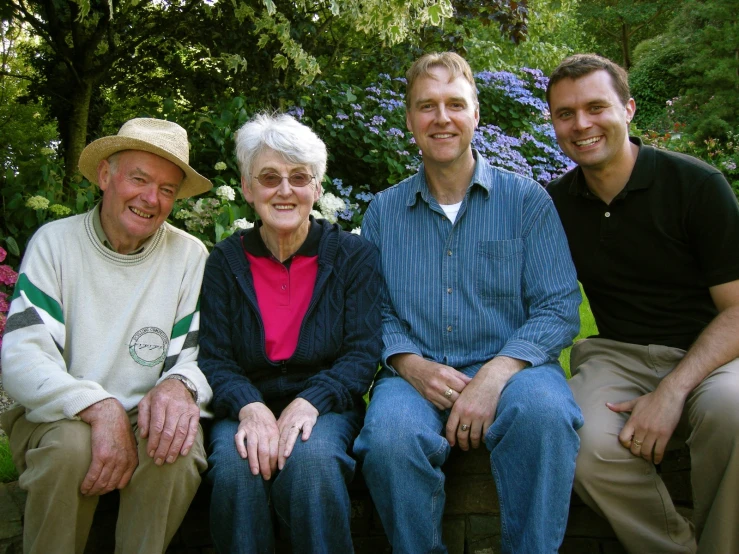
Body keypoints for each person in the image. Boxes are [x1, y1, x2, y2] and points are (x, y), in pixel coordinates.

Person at [352, 52, 584, 554]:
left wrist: (496, 375)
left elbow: (558, 305)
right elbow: (373, 311)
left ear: (476, 113)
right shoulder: (384, 213)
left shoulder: (527, 202)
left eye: (455, 103)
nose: (442, 118)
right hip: (414, 374)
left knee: (546, 416)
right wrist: (411, 365)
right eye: (426, 105)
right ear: (410, 119)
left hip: (516, 367)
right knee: (389, 440)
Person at [546, 53, 739, 553]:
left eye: (596, 107)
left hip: (713, 355)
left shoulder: (696, 186)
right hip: (617, 354)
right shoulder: (555, 204)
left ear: (628, 109)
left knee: (732, 411)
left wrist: (672, 391)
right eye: (565, 114)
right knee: (581, 444)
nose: (581, 124)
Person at [0, 118, 214, 553]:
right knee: (69, 450)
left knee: (175, 448)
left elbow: (199, 355)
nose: (151, 199)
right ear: (105, 176)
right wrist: (98, 407)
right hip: (59, 414)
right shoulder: (55, 243)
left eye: (167, 189)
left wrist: (179, 385)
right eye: (139, 179)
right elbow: (22, 356)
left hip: (144, 414)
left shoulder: (190, 256)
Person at [199, 113, 383, 554]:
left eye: (299, 177)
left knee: (313, 465)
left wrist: (311, 400)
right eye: (269, 178)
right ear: (247, 188)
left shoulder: (354, 257)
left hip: (327, 406)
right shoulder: (225, 263)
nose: (285, 190)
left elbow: (362, 352)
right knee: (235, 469)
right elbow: (215, 358)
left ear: (316, 189)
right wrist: (248, 406)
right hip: (244, 404)